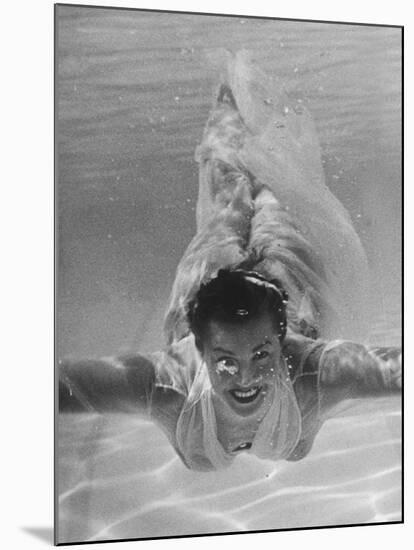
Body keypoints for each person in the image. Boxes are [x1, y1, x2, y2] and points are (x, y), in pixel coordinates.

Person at [58, 51, 401, 471]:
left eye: (261, 354)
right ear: (197, 350)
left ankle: (228, 88)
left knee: (230, 189)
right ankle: (238, 92)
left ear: (284, 344)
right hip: (276, 277)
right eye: (225, 360)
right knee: (273, 194)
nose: (246, 378)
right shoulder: (170, 384)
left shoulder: (312, 373)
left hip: (250, 275)